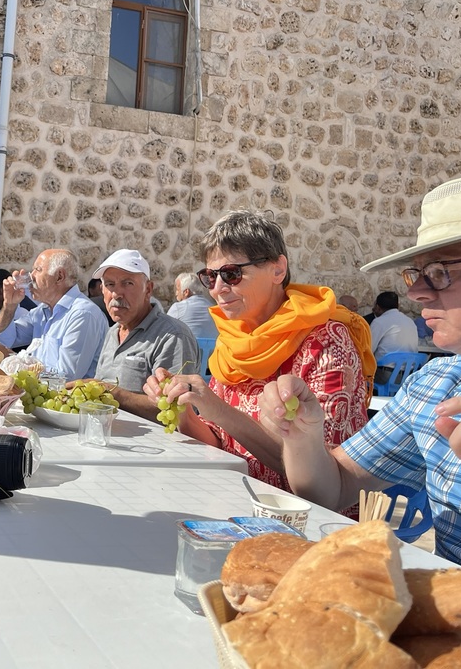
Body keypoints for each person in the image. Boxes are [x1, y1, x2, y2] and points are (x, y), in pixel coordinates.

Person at [259, 173, 461, 577]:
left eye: (441, 271)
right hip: (455, 622)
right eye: (417, 272)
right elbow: (333, 488)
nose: (418, 292)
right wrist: (303, 438)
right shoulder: (434, 386)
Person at [144, 209, 375, 499]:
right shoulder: (235, 337)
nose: (217, 289)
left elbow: (321, 471)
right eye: (209, 276)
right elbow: (220, 443)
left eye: (231, 274)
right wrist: (184, 410)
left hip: (300, 516)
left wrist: (217, 408)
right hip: (233, 498)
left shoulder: (326, 341)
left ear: (278, 270)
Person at [91, 250, 199, 421]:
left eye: (127, 283)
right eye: (110, 284)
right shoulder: (113, 332)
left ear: (148, 289)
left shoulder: (172, 336)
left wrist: (113, 393)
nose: (116, 293)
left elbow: (175, 408)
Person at [0, 249, 109, 379]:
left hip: (66, 397)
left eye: (38, 269)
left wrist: (19, 365)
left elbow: (66, 376)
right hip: (41, 395)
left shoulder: (83, 314)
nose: (31, 276)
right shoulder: (42, 311)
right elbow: (3, 338)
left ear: (59, 276)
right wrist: (9, 305)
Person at [166, 271, 218, 341]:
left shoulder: (178, 307)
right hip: (212, 350)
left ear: (186, 292)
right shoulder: (213, 308)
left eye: (178, 290)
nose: (176, 293)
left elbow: (163, 330)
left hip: (188, 350)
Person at [370, 290, 419, 360]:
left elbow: (369, 349)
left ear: (377, 307)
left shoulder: (379, 322)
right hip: (410, 369)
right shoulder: (410, 321)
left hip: (386, 369)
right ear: (398, 306)